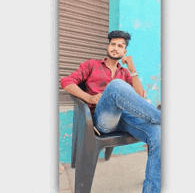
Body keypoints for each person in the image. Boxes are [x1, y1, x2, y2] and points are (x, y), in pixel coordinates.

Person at [61, 30, 161, 193]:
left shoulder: (124, 72)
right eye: (113, 44)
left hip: (124, 119)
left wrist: (132, 68)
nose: (115, 48)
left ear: (124, 51)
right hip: (102, 120)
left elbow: (140, 96)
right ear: (108, 46)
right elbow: (66, 82)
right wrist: (89, 98)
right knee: (116, 85)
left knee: (158, 133)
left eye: (120, 46)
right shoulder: (91, 65)